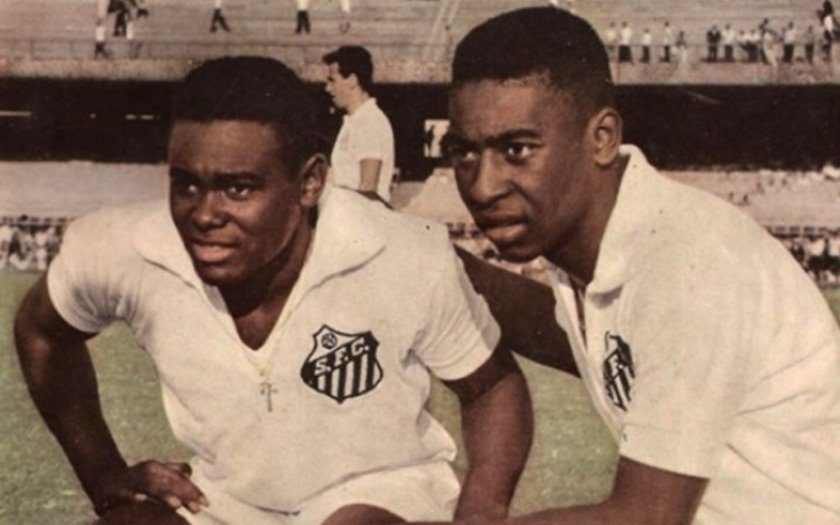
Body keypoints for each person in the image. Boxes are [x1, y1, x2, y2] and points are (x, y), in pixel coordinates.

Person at [15, 56, 532, 525]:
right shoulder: (130, 249)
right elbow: (42, 332)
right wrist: (103, 475)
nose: (205, 214)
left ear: (309, 183)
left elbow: (491, 386)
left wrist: (480, 515)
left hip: (381, 493)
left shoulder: (399, 252)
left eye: (237, 188)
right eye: (187, 183)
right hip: (224, 501)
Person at [446, 7, 840, 524]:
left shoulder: (688, 262)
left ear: (602, 138)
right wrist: (436, 263)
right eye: (465, 154)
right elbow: (571, 335)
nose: (483, 187)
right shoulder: (603, 246)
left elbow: (647, 517)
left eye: (517, 150)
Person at [323, 46, 396, 203]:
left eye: (332, 80)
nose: (327, 88)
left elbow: (368, 190)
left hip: (361, 216)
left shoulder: (370, 121)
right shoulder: (353, 122)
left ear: (352, 80)